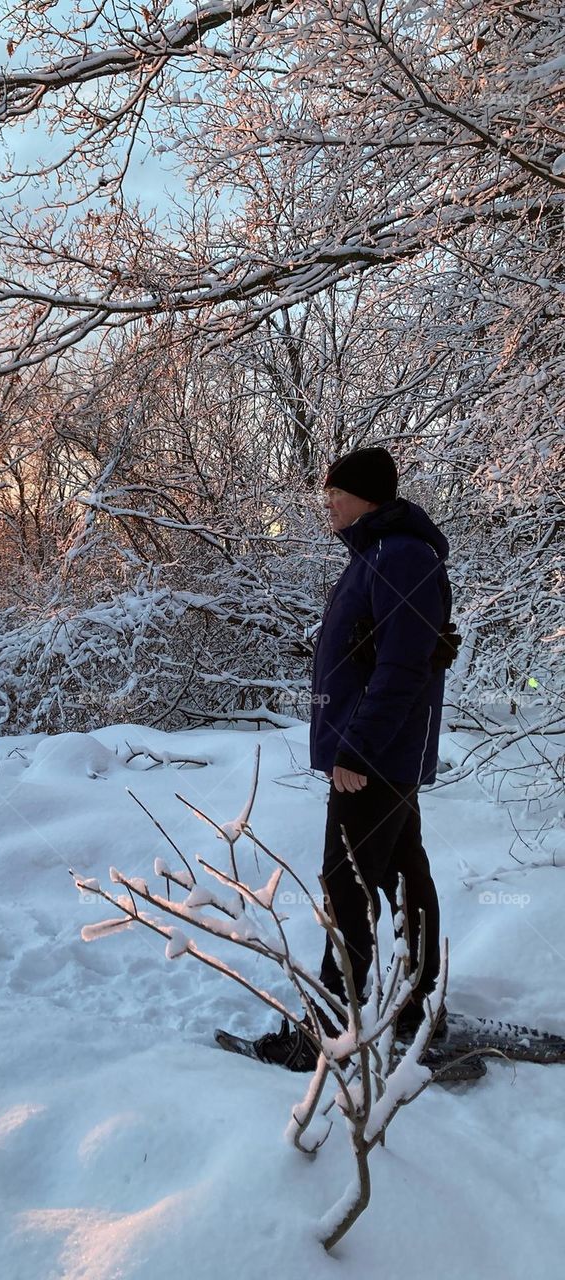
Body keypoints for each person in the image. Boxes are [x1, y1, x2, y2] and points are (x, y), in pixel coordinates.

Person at [255, 446, 453, 1070]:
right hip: (381, 754)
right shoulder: (379, 556)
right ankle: (421, 1003)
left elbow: (402, 666)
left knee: (347, 884)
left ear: (365, 495)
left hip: (375, 757)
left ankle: (330, 1030)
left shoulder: (400, 556)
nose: (326, 504)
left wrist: (358, 748)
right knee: (401, 873)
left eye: (334, 493)